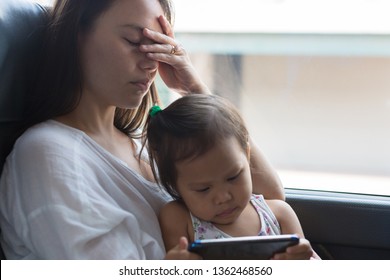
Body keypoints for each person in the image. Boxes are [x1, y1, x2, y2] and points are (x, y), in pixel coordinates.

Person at [0, 0, 283, 259]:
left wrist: (197, 93)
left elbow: (268, 200)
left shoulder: (142, 146)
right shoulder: (48, 155)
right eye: (134, 40)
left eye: (159, 45)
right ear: (77, 35)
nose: (151, 60)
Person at [144, 94, 320, 260]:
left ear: (248, 154)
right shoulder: (179, 219)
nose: (223, 197)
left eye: (233, 177)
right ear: (175, 185)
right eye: (203, 189)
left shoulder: (279, 215)